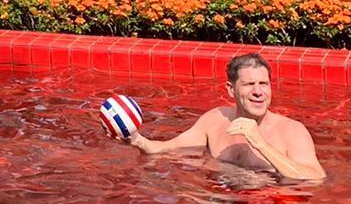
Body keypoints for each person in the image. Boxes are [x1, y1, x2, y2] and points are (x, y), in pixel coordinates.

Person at [123, 52, 326, 183]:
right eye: (249, 85)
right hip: (222, 199)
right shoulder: (215, 120)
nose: (258, 92)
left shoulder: (291, 131)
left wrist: (261, 144)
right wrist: (137, 140)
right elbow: (167, 148)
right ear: (231, 90)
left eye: (264, 84)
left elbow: (315, 178)